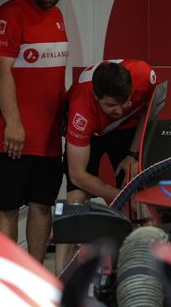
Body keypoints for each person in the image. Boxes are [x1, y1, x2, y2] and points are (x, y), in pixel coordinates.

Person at [0, 0, 69, 263]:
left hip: (46, 139)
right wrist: (14, 124)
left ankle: (35, 274)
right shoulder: (9, 15)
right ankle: (5, 279)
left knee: (42, 205)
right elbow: (2, 72)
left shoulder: (56, 15)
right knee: (6, 208)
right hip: (10, 135)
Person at [56, 59, 157, 271]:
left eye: (125, 102)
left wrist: (133, 153)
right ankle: (61, 276)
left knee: (138, 186)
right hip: (91, 133)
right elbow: (77, 175)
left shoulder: (144, 75)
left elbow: (150, 110)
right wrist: (117, 194)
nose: (119, 110)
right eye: (111, 105)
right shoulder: (80, 110)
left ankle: (149, 264)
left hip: (125, 130)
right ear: (96, 96)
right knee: (76, 199)